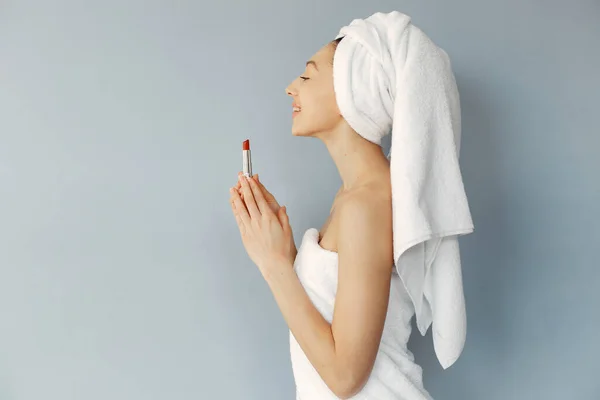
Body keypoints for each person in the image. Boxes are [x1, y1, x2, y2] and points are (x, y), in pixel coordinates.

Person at [229, 11, 474, 399]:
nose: (291, 87)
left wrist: (274, 266)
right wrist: (280, 247)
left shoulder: (366, 204)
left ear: (351, 92)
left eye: (308, 76)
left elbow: (345, 377)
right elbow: (333, 312)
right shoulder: (353, 197)